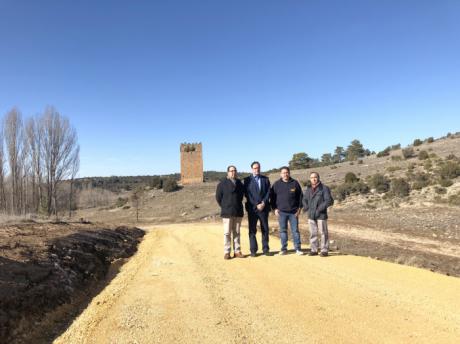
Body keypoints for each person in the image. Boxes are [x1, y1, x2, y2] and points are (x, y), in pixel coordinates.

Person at [270, 166, 304, 255]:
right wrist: (274, 209)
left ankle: (298, 249)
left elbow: (300, 197)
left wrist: (299, 209)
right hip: (282, 212)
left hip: (294, 212)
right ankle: (284, 249)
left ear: (289, 173)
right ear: (280, 174)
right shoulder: (276, 184)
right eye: (283, 173)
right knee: (283, 231)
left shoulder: (295, 183)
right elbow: (272, 198)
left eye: (287, 172)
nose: (285, 174)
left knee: (295, 231)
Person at [216, 165, 245, 260]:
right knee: (227, 233)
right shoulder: (222, 184)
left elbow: (241, 197)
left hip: (238, 211)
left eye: (235, 170)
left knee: (237, 232)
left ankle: (237, 251)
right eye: (231, 171)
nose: (233, 172)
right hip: (227, 212)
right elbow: (218, 198)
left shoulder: (240, 184)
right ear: (228, 173)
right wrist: (224, 206)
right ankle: (227, 252)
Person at [302, 172, 334, 257]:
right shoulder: (308, 189)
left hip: (321, 214)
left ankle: (324, 250)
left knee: (323, 233)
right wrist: (306, 207)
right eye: (312, 177)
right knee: (313, 233)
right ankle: (314, 249)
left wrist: (319, 209)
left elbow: (328, 201)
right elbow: (304, 199)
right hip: (311, 215)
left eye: (315, 177)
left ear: (318, 178)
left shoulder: (324, 188)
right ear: (310, 179)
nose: (314, 179)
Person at [243, 161, 271, 257]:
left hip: (264, 208)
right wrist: (256, 204)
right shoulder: (247, 180)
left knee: (265, 229)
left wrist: (263, 202)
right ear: (252, 169)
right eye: (255, 168)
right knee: (252, 230)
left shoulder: (265, 179)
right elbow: (247, 194)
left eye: (258, 168)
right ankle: (253, 250)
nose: (257, 169)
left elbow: (268, 192)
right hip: (252, 209)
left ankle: (266, 249)